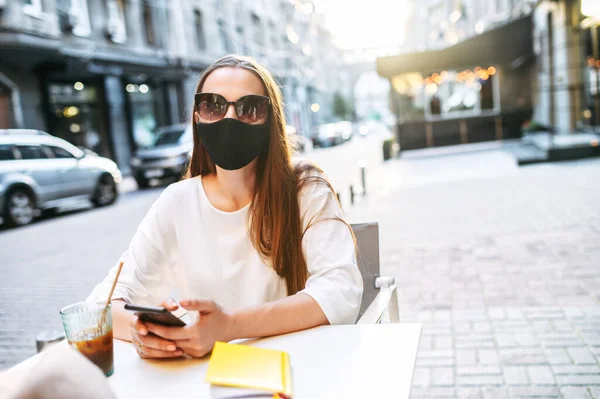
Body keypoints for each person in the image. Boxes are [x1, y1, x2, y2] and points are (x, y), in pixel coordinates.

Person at [88, 54, 363, 359]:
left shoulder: (305, 188)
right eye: (213, 105)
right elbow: (105, 302)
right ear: (197, 116)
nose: (230, 119)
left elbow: (340, 291)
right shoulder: (177, 201)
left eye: (249, 108)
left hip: (298, 366)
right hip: (209, 377)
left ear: (269, 119)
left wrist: (230, 325)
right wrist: (145, 334)